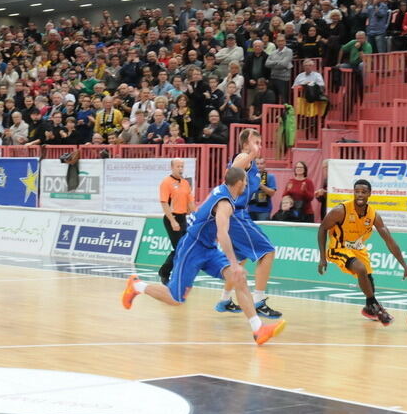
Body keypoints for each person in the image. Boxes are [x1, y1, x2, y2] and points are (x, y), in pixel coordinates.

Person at [122, 167, 286, 346]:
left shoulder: (223, 190)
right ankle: (137, 285)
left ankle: (258, 329)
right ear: (239, 183)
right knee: (176, 299)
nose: (247, 185)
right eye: (245, 182)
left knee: (238, 279)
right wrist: (234, 262)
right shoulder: (225, 203)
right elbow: (223, 234)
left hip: (208, 248)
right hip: (192, 248)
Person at [317, 179, 407, 325]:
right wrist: (322, 257)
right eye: (357, 192)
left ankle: (369, 308)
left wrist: (405, 267)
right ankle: (375, 306)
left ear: (369, 194)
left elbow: (390, 241)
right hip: (338, 247)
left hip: (357, 248)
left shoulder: (373, 215)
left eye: (363, 192)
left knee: (369, 280)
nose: (360, 195)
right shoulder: (341, 210)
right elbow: (322, 228)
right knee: (360, 269)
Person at [215, 129, 282, 318]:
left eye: (260, 143)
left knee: (239, 259)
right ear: (245, 144)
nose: (259, 146)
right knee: (267, 251)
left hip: (238, 213)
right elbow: (231, 173)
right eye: (255, 142)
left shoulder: (251, 163)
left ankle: (224, 300)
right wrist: (251, 153)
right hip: (236, 214)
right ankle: (259, 301)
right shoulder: (244, 157)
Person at [156, 159, 197, 285]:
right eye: (178, 166)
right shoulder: (166, 182)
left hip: (183, 218)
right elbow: (164, 203)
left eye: (182, 166)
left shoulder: (185, 183)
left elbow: (190, 202)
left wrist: (196, 216)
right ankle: (165, 273)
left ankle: (174, 274)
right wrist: (173, 221)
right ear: (172, 167)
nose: (180, 169)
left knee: (184, 248)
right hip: (171, 218)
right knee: (179, 248)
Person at [247, 157, 276, 221]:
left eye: (261, 164)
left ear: (265, 165)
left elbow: (272, 193)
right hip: (250, 209)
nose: (259, 166)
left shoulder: (270, 177)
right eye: (257, 164)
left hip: (264, 210)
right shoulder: (250, 176)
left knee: (263, 229)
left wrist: (260, 185)